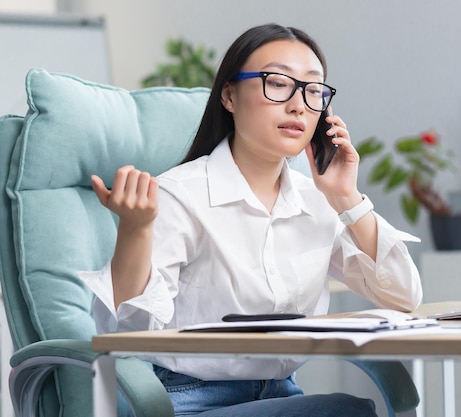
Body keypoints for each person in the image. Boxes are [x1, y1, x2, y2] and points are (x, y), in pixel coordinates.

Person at [80, 23, 422, 417]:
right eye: (277, 83)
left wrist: (347, 198)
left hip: (282, 396)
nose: (298, 105)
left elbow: (404, 297)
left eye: (313, 91)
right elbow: (128, 334)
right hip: (186, 401)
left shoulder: (320, 201)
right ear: (229, 95)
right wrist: (136, 231)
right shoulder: (181, 195)